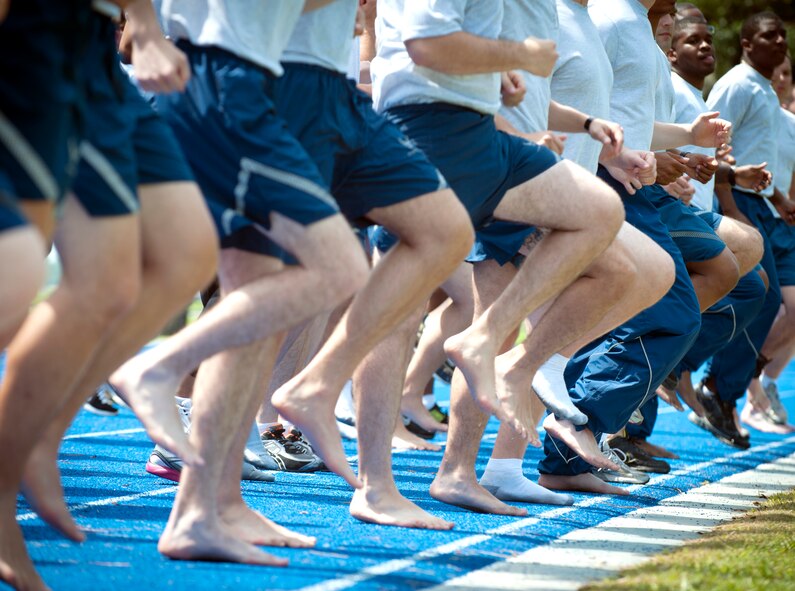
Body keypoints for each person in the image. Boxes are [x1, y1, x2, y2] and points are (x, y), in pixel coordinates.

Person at [535, 0, 730, 496]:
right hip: (606, 184)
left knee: (668, 306)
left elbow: (620, 116)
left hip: (624, 179)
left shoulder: (629, 22)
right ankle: (574, 430)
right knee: (671, 311)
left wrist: (687, 136)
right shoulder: (611, 19)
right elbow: (568, 100)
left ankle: (577, 436)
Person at [690, 11, 794, 448]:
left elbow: (758, 159)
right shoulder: (736, 83)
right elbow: (710, 150)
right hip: (735, 202)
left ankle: (723, 392)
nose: (779, 43)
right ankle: (701, 378)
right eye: (768, 36)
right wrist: (731, 205)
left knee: (767, 299)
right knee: (761, 295)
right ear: (748, 43)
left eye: (782, 37)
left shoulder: (766, 92)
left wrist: (779, 198)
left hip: (763, 205)